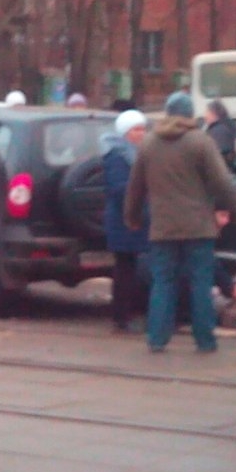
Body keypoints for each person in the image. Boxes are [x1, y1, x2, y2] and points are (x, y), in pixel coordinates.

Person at [124, 91, 236, 353]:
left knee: (163, 282)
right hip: (198, 227)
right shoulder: (200, 142)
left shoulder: (149, 144)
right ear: (190, 113)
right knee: (200, 283)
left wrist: (132, 217)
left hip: (163, 227)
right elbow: (222, 181)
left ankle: (157, 338)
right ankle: (205, 340)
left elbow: (135, 187)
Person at [101, 109, 151, 334]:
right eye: (136, 130)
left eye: (143, 129)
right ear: (125, 133)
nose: (141, 134)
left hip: (133, 218)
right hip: (124, 221)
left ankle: (126, 314)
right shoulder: (118, 155)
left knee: (129, 268)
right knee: (124, 270)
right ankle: (121, 317)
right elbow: (119, 188)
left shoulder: (136, 153)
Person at [204, 99, 236, 168]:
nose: (205, 116)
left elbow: (219, 155)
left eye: (207, 112)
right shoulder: (224, 127)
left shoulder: (219, 131)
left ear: (214, 113)